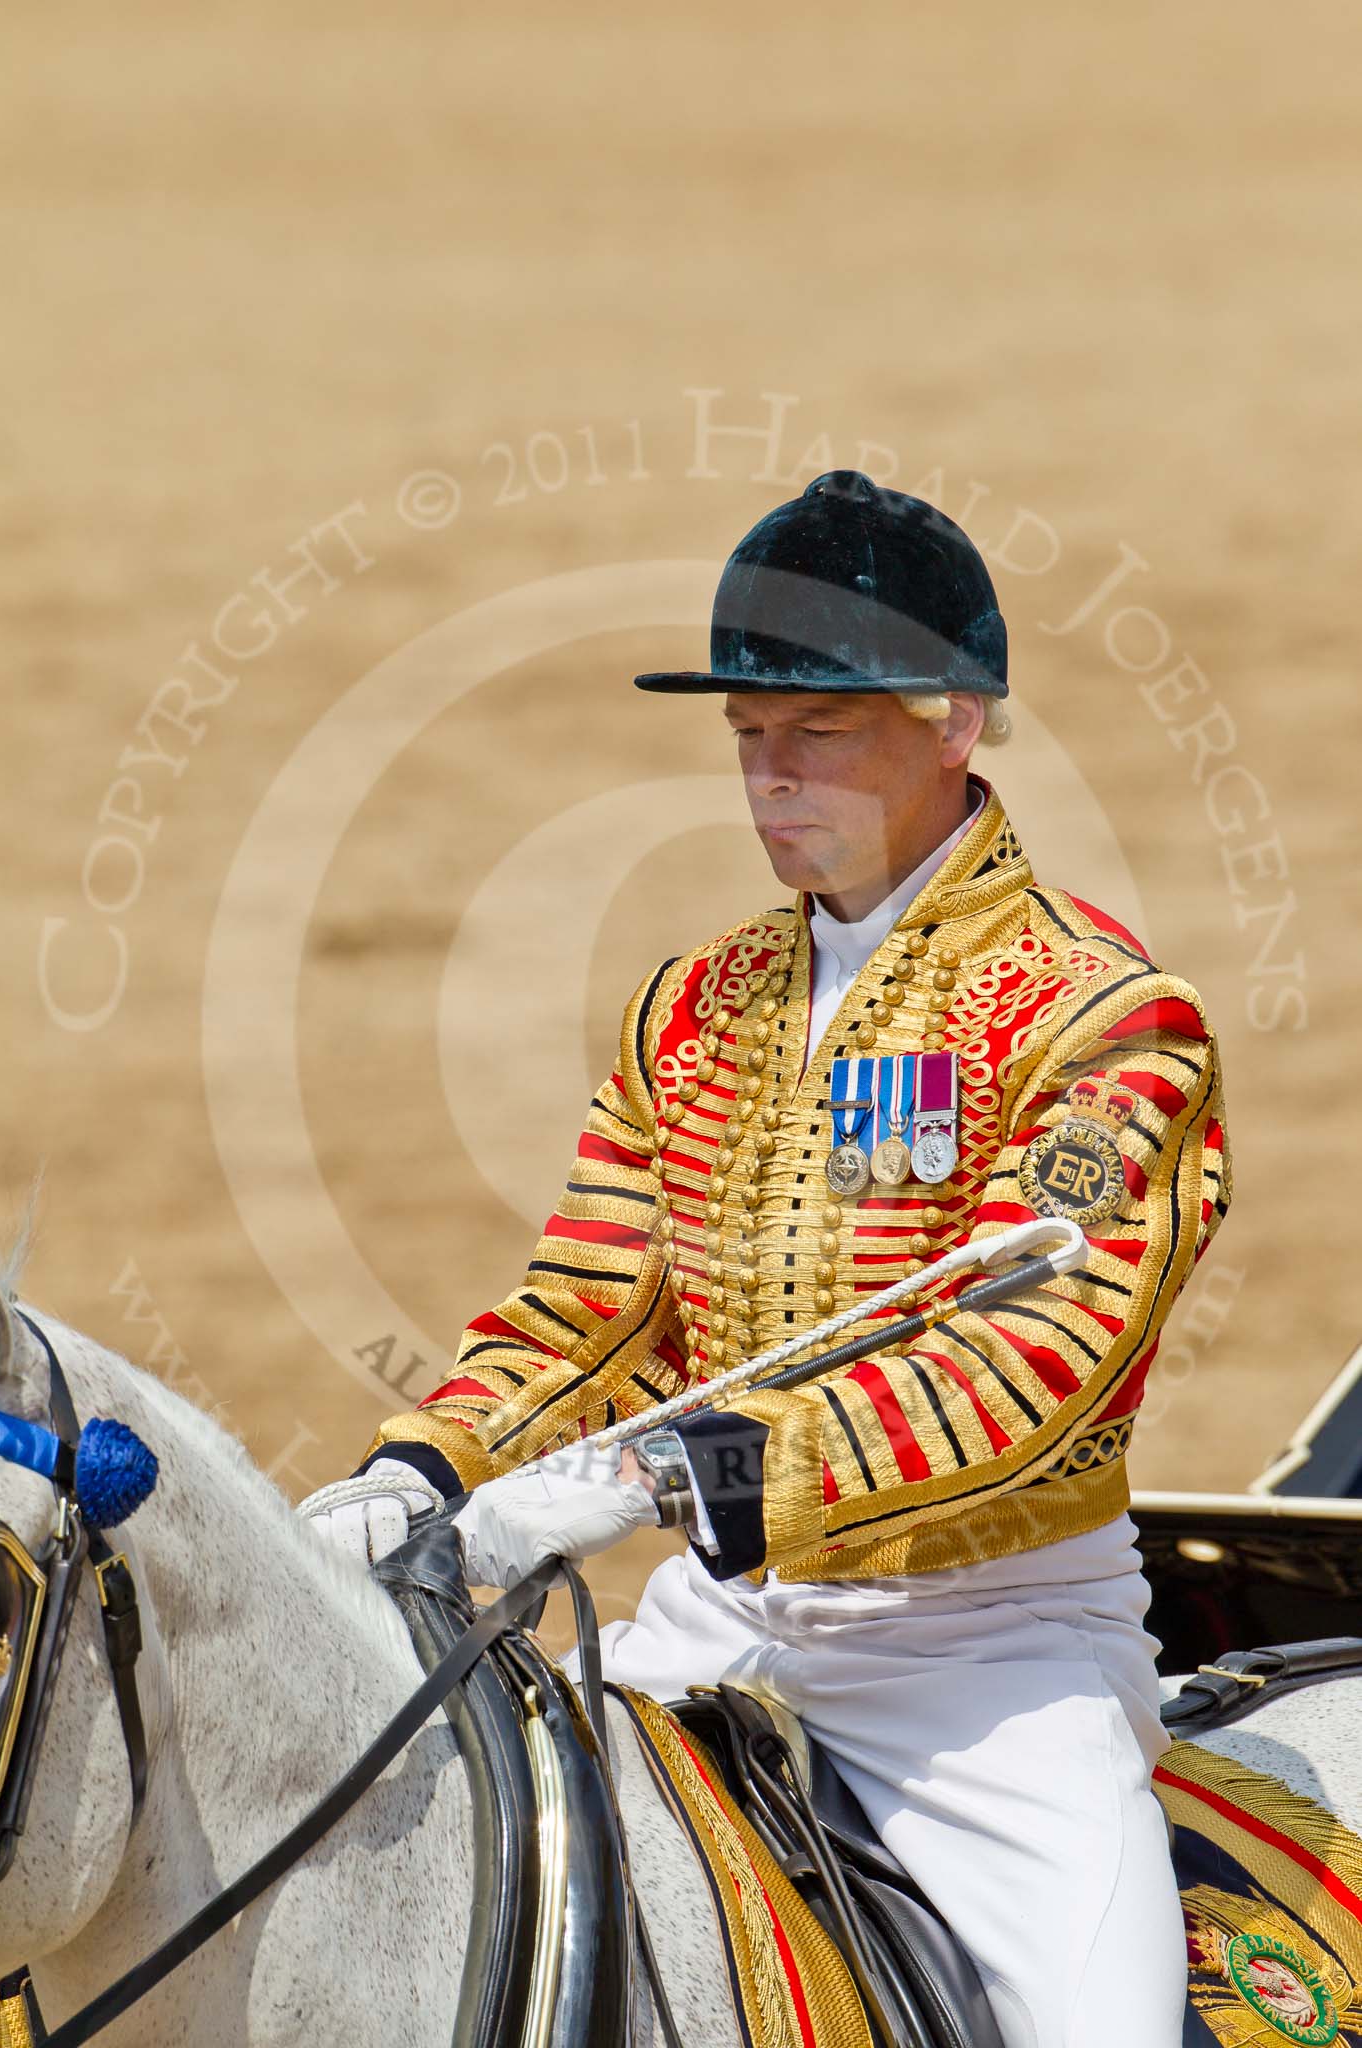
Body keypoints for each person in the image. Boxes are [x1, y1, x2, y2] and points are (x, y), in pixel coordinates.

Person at [302, 470, 1231, 2047]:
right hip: (716, 1630)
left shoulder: (1099, 1019)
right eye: (745, 735)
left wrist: (671, 1484)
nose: (768, 778)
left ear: (956, 721)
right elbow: (590, 1304)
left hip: (986, 1662)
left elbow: (1023, 1367)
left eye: (817, 732)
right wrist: (423, 1461)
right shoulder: (693, 1002)